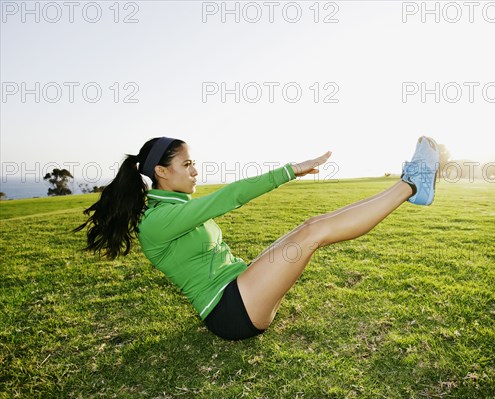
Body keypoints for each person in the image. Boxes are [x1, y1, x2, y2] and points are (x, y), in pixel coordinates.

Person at [74, 136, 439, 341]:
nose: (195, 170)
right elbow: (228, 197)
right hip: (231, 311)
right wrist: (289, 171)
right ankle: (411, 184)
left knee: (311, 225)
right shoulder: (158, 220)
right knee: (313, 234)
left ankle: (411, 185)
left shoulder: (171, 208)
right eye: (186, 165)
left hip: (240, 288)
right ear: (161, 172)